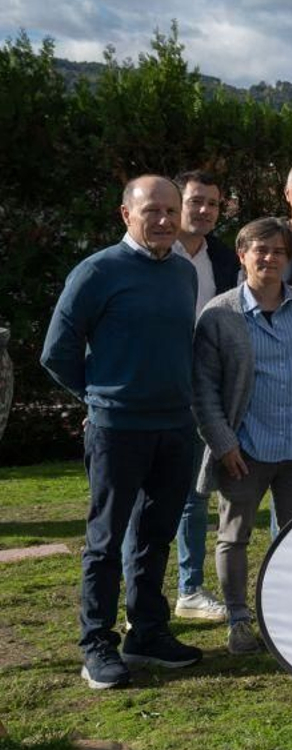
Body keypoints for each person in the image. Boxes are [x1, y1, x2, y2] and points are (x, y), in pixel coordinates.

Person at [41, 176, 205, 689]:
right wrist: (99, 396)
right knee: (105, 540)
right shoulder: (96, 272)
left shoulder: (182, 271)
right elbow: (56, 353)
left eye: (170, 210)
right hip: (118, 429)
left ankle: (147, 633)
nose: (162, 219)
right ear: (125, 215)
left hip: (177, 426)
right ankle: (96, 644)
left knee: (155, 536)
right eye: (151, 210)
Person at [193, 218, 292, 654]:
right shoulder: (219, 314)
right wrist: (223, 443)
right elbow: (203, 389)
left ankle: (288, 615)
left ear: (289, 258)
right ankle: (239, 617)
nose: (269, 258)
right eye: (260, 250)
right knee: (233, 536)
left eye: (278, 251)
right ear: (242, 255)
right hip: (245, 452)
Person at [119, 170, 237, 624]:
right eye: (195, 202)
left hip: (206, 393)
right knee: (144, 505)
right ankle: (140, 602)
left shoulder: (224, 260)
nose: (204, 210)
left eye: (213, 203)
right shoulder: (144, 260)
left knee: (196, 495)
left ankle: (190, 588)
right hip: (150, 398)